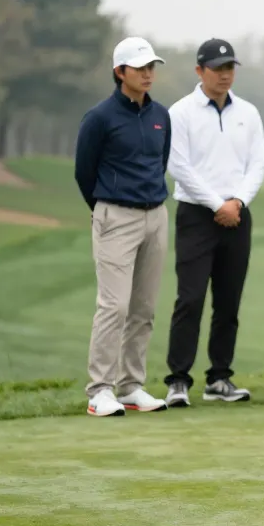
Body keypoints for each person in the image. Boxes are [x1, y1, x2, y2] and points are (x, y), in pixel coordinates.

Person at [163, 38, 264, 407]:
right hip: (196, 215)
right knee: (190, 299)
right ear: (199, 70)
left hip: (238, 214)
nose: (225, 75)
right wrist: (217, 204)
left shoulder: (248, 113)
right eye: (217, 68)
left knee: (228, 302)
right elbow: (178, 166)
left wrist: (237, 202)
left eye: (229, 68)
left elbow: (258, 162)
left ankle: (219, 378)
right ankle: (178, 380)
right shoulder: (181, 112)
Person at [73, 36, 174, 417]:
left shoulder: (160, 115)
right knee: (114, 306)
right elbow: (84, 172)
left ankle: (131, 386)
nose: (148, 74)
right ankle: (100, 390)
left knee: (143, 308)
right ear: (120, 72)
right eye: (140, 68)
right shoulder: (99, 117)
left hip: (156, 216)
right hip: (115, 215)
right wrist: (105, 209)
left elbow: (160, 162)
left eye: (151, 67)